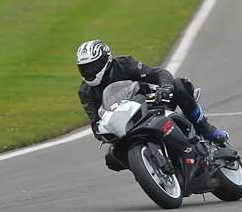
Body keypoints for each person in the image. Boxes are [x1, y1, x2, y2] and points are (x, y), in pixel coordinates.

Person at [76, 39, 229, 146]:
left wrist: (165, 87)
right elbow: (95, 122)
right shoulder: (85, 91)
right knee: (112, 160)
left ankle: (206, 129)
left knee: (179, 85)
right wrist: (102, 131)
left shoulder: (124, 64)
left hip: (150, 104)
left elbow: (158, 73)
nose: (89, 71)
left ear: (106, 60)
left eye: (93, 66)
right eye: (85, 68)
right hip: (123, 125)